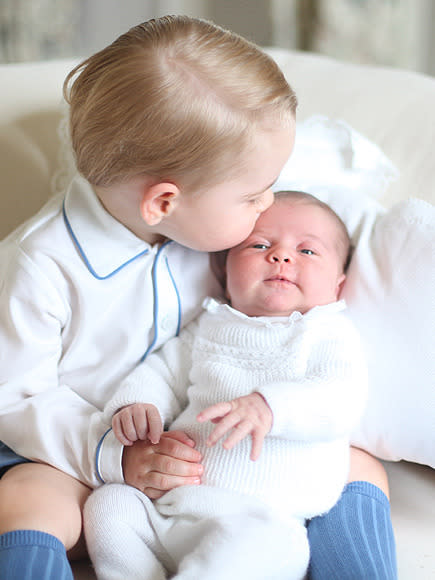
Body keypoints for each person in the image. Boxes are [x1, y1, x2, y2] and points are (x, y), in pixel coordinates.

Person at [0, 15, 396, 580]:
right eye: (255, 197)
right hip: (71, 449)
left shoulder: (209, 227)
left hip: (208, 448)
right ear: (164, 202)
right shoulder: (41, 265)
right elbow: (15, 398)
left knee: (359, 466)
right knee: (28, 498)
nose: (267, 207)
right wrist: (114, 453)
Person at [83, 191, 368, 580]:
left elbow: (342, 398)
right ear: (225, 268)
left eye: (308, 251)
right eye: (260, 245)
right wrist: (137, 404)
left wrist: (270, 406)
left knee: (270, 546)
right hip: (173, 508)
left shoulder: (327, 332)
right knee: (110, 504)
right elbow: (164, 371)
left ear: (338, 284)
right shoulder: (211, 325)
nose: (281, 256)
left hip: (264, 519)